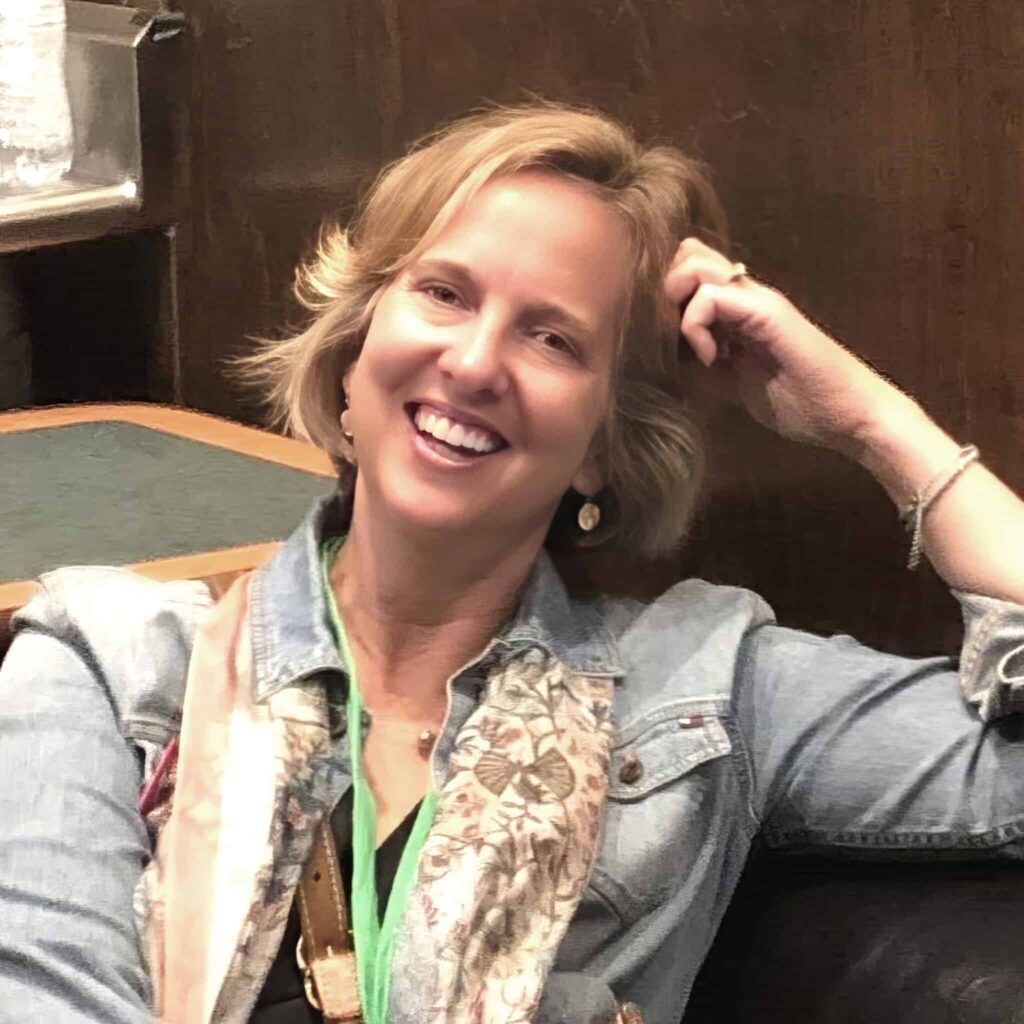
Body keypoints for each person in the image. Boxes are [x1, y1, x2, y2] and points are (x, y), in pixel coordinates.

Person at [1, 102, 1023, 1024]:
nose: (478, 361)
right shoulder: (110, 663)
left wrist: (870, 422)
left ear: (599, 447)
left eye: (553, 340)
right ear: (354, 352)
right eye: (444, 293)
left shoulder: (706, 687)